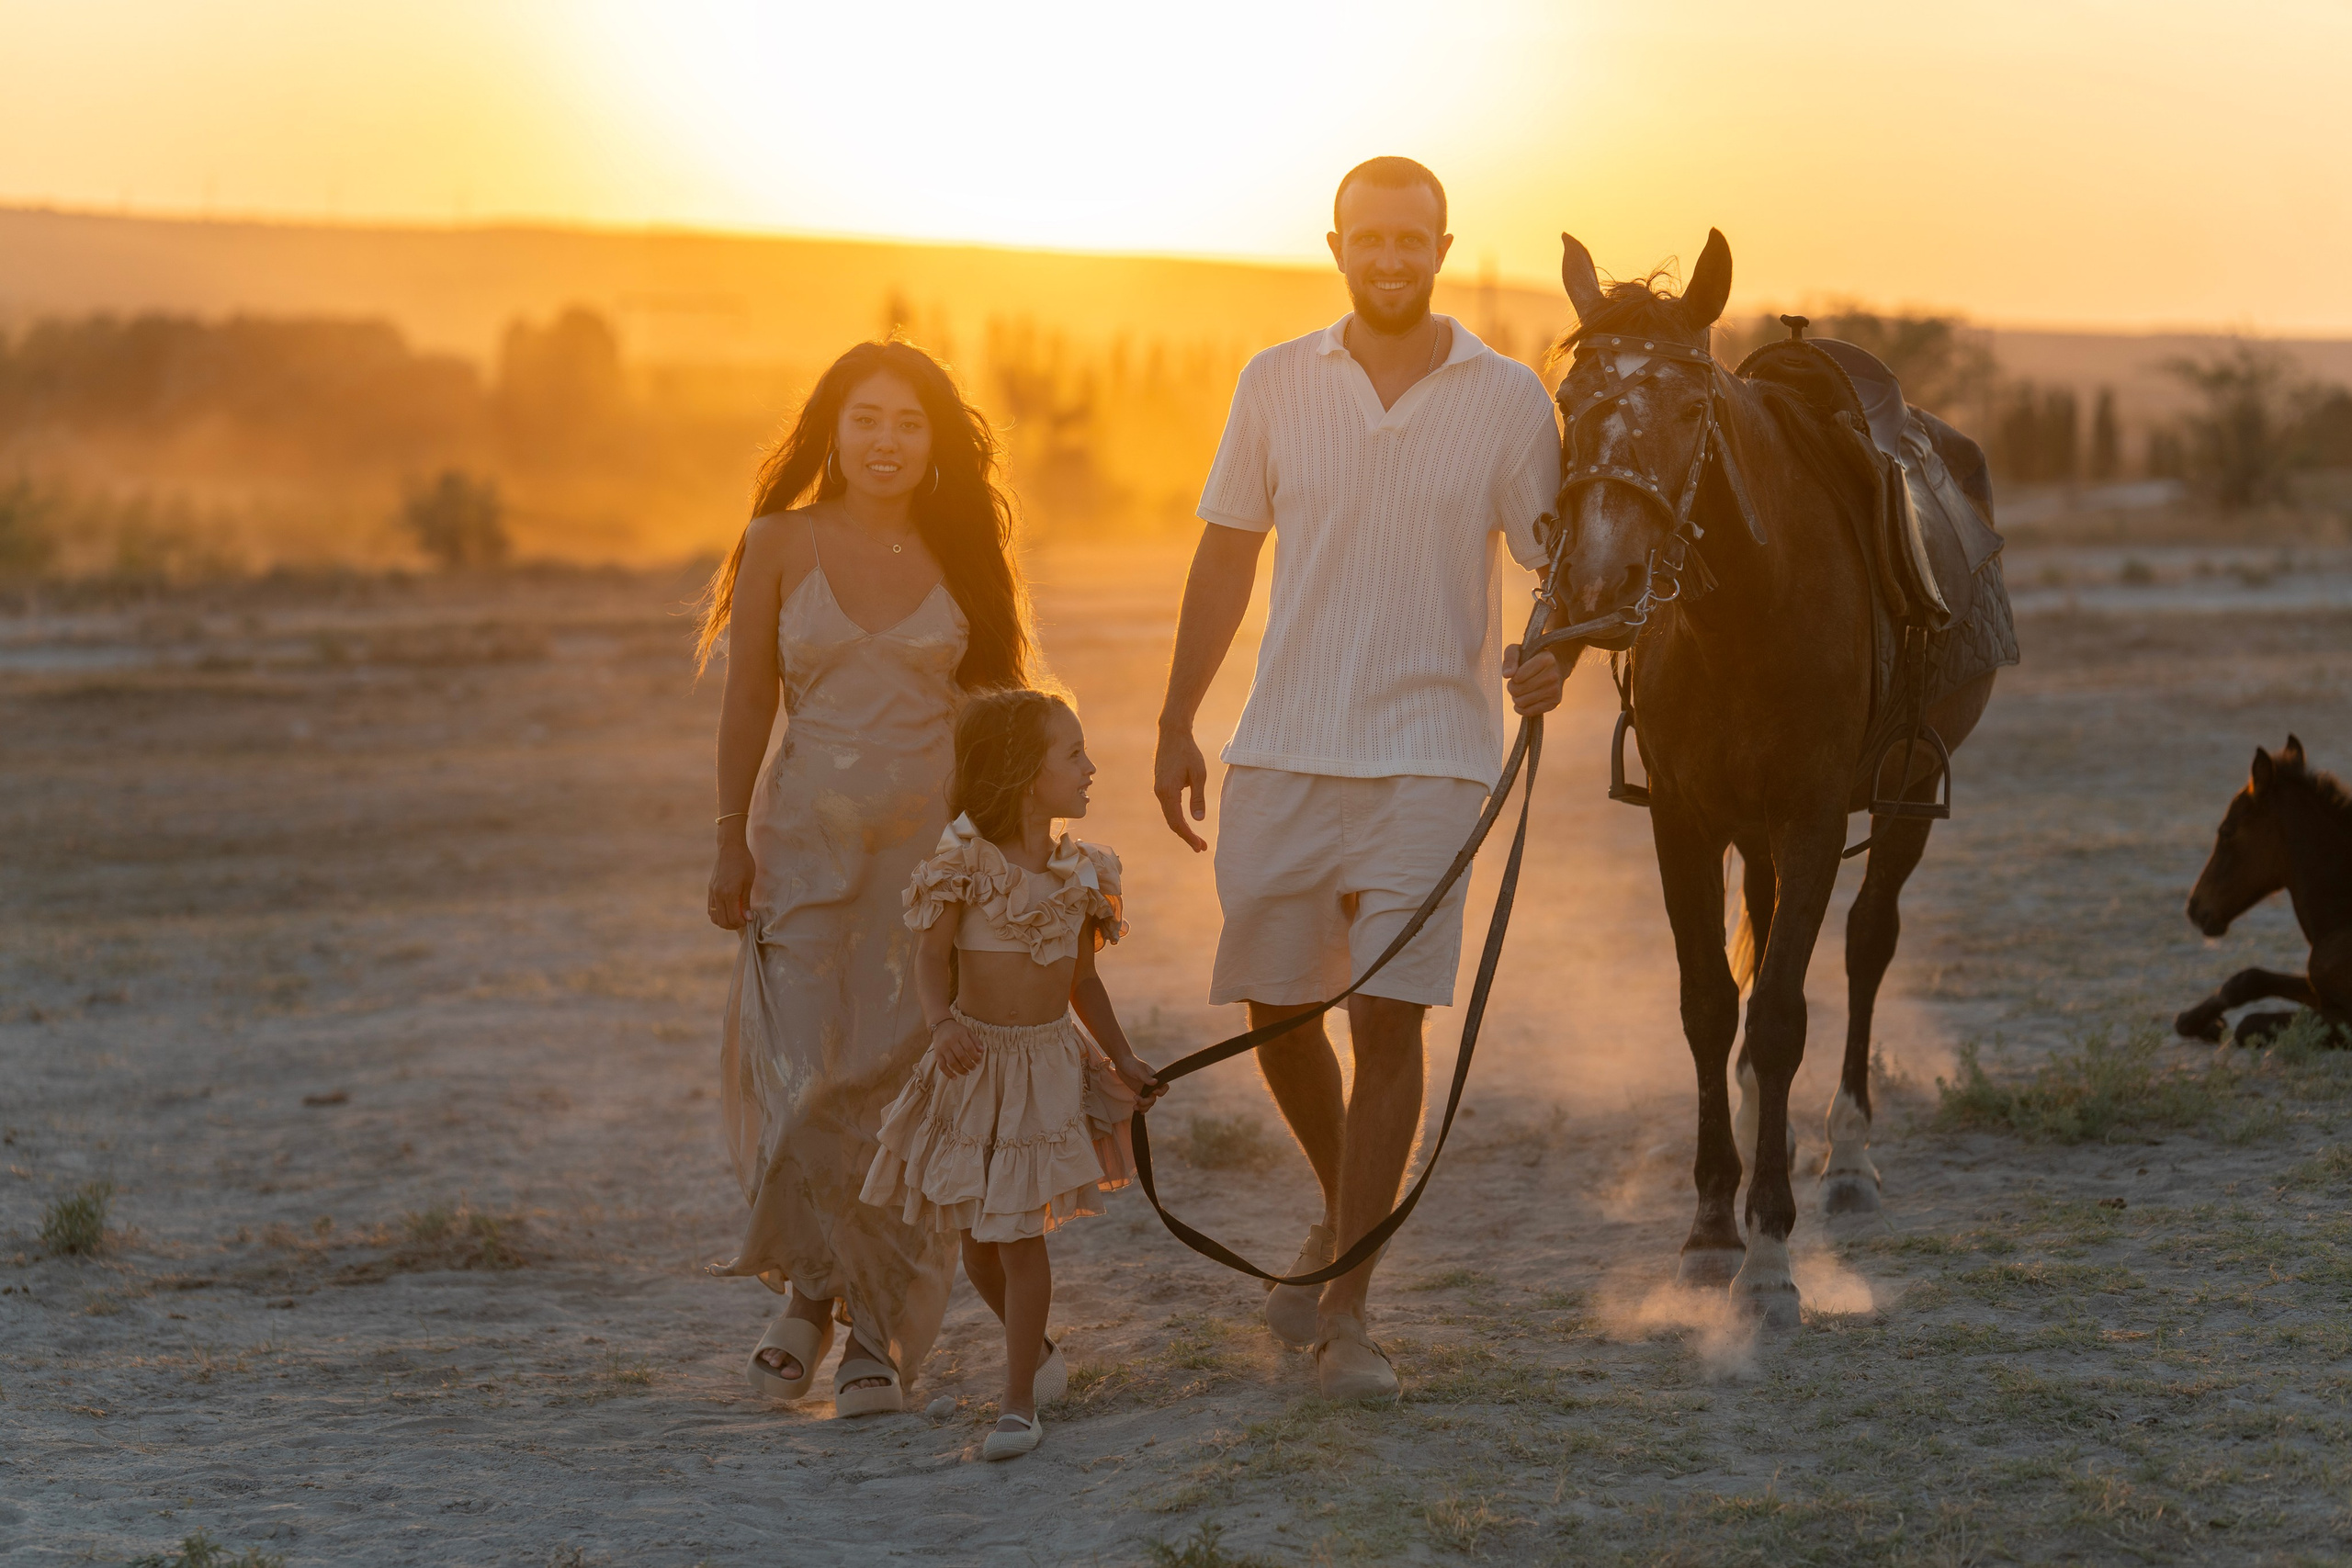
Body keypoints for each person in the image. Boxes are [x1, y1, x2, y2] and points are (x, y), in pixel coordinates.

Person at [1152, 156, 1568, 1401]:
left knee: (1388, 1021)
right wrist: (1177, 717)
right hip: (1281, 742)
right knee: (1277, 1014)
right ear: (1337, 243)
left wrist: (1546, 655)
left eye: (1415, 240)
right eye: (1371, 238)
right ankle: (1344, 1211)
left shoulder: (1507, 399)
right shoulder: (1276, 382)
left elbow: (1556, 564)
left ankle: (1349, 1312)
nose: (1393, 258)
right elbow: (1225, 558)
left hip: (1435, 753)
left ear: (1445, 247)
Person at [697, 338, 1033, 1418]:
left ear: (935, 445)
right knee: (807, 1091)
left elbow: (998, 717)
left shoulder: (961, 550)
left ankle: (869, 1335)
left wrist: (1014, 864)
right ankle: (807, 1289)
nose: (886, 442)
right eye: (867, 420)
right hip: (800, 856)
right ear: (832, 433)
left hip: (926, 874)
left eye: (908, 424)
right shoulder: (779, 543)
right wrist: (727, 838)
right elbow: (747, 700)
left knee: (898, 1102)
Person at [862, 689, 1163, 1461]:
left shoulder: (1083, 872)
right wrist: (942, 1025)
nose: (1090, 767)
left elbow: (1082, 982)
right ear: (1028, 775)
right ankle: (1038, 1348)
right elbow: (931, 960)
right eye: (1074, 754)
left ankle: (1018, 1403)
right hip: (972, 1067)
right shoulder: (962, 863)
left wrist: (1123, 1055)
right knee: (976, 1245)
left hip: (1043, 1069)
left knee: (1022, 1237)